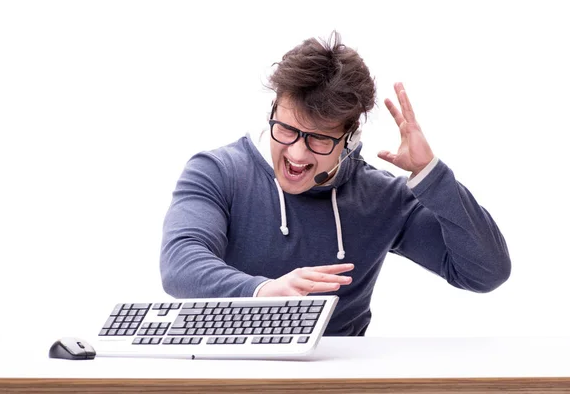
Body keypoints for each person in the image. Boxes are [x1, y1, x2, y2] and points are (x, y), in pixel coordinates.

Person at [159, 31, 511, 336]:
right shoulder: (218, 171)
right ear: (273, 109)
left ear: (351, 138)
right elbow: (180, 265)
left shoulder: (382, 197)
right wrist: (264, 291)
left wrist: (431, 175)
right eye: (287, 129)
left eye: (319, 139)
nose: (297, 152)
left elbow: (485, 273)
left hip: (337, 379)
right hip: (232, 374)